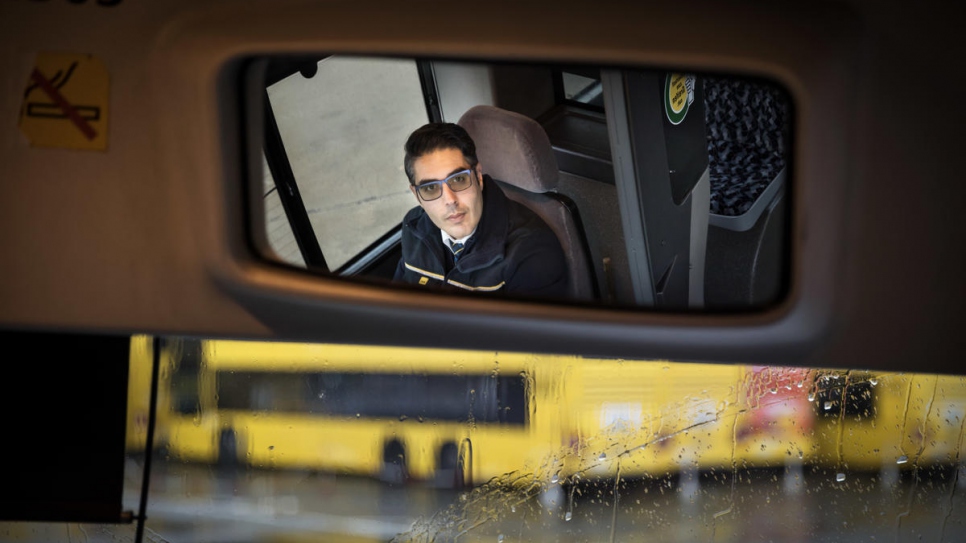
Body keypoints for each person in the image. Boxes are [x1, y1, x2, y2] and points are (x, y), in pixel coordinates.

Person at [393, 122, 568, 298]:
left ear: (478, 176)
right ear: (417, 195)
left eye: (459, 179)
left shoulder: (530, 251)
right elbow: (396, 308)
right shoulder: (413, 228)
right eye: (430, 188)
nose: (450, 200)